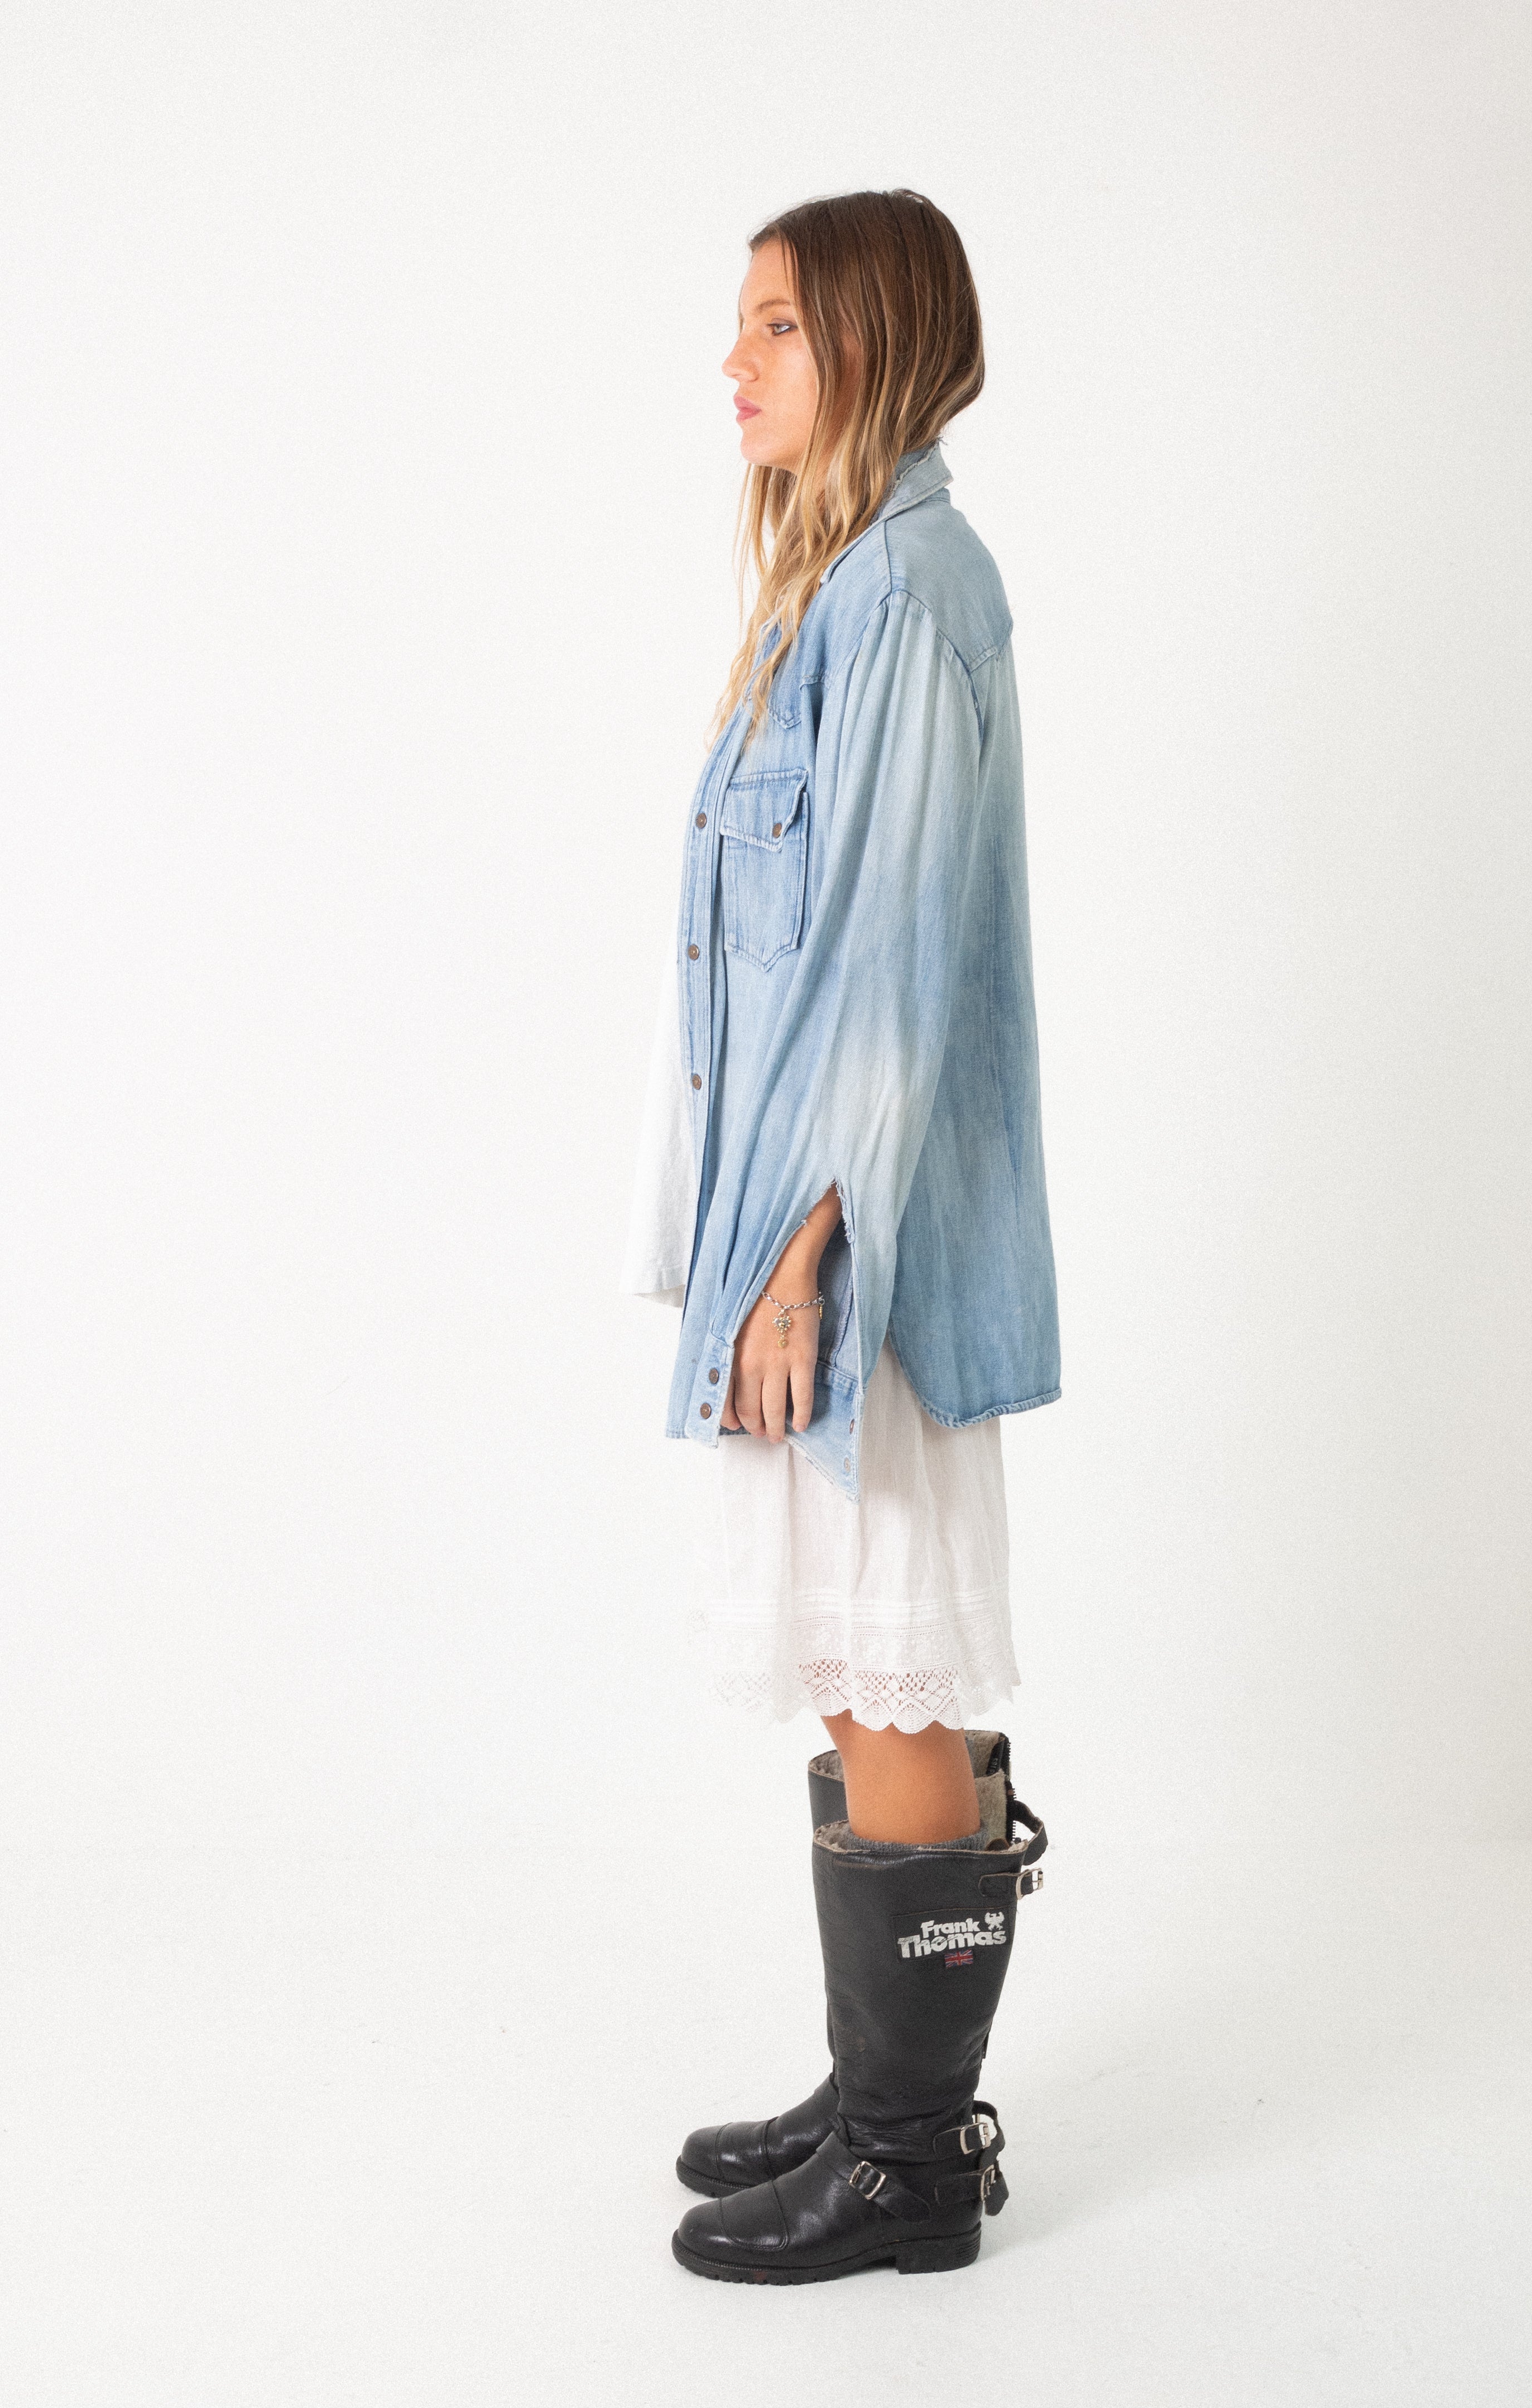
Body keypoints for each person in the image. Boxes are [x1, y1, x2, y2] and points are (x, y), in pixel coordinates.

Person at [621, 189, 1059, 2284]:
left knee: (889, 1663)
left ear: (874, 338)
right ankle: (882, 2093)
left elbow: (881, 968)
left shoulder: (904, 596)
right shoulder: (846, 580)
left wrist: (797, 1259)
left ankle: (907, 2164)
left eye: (777, 326)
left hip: (855, 1247)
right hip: (811, 1227)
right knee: (856, 1659)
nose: (737, 365)